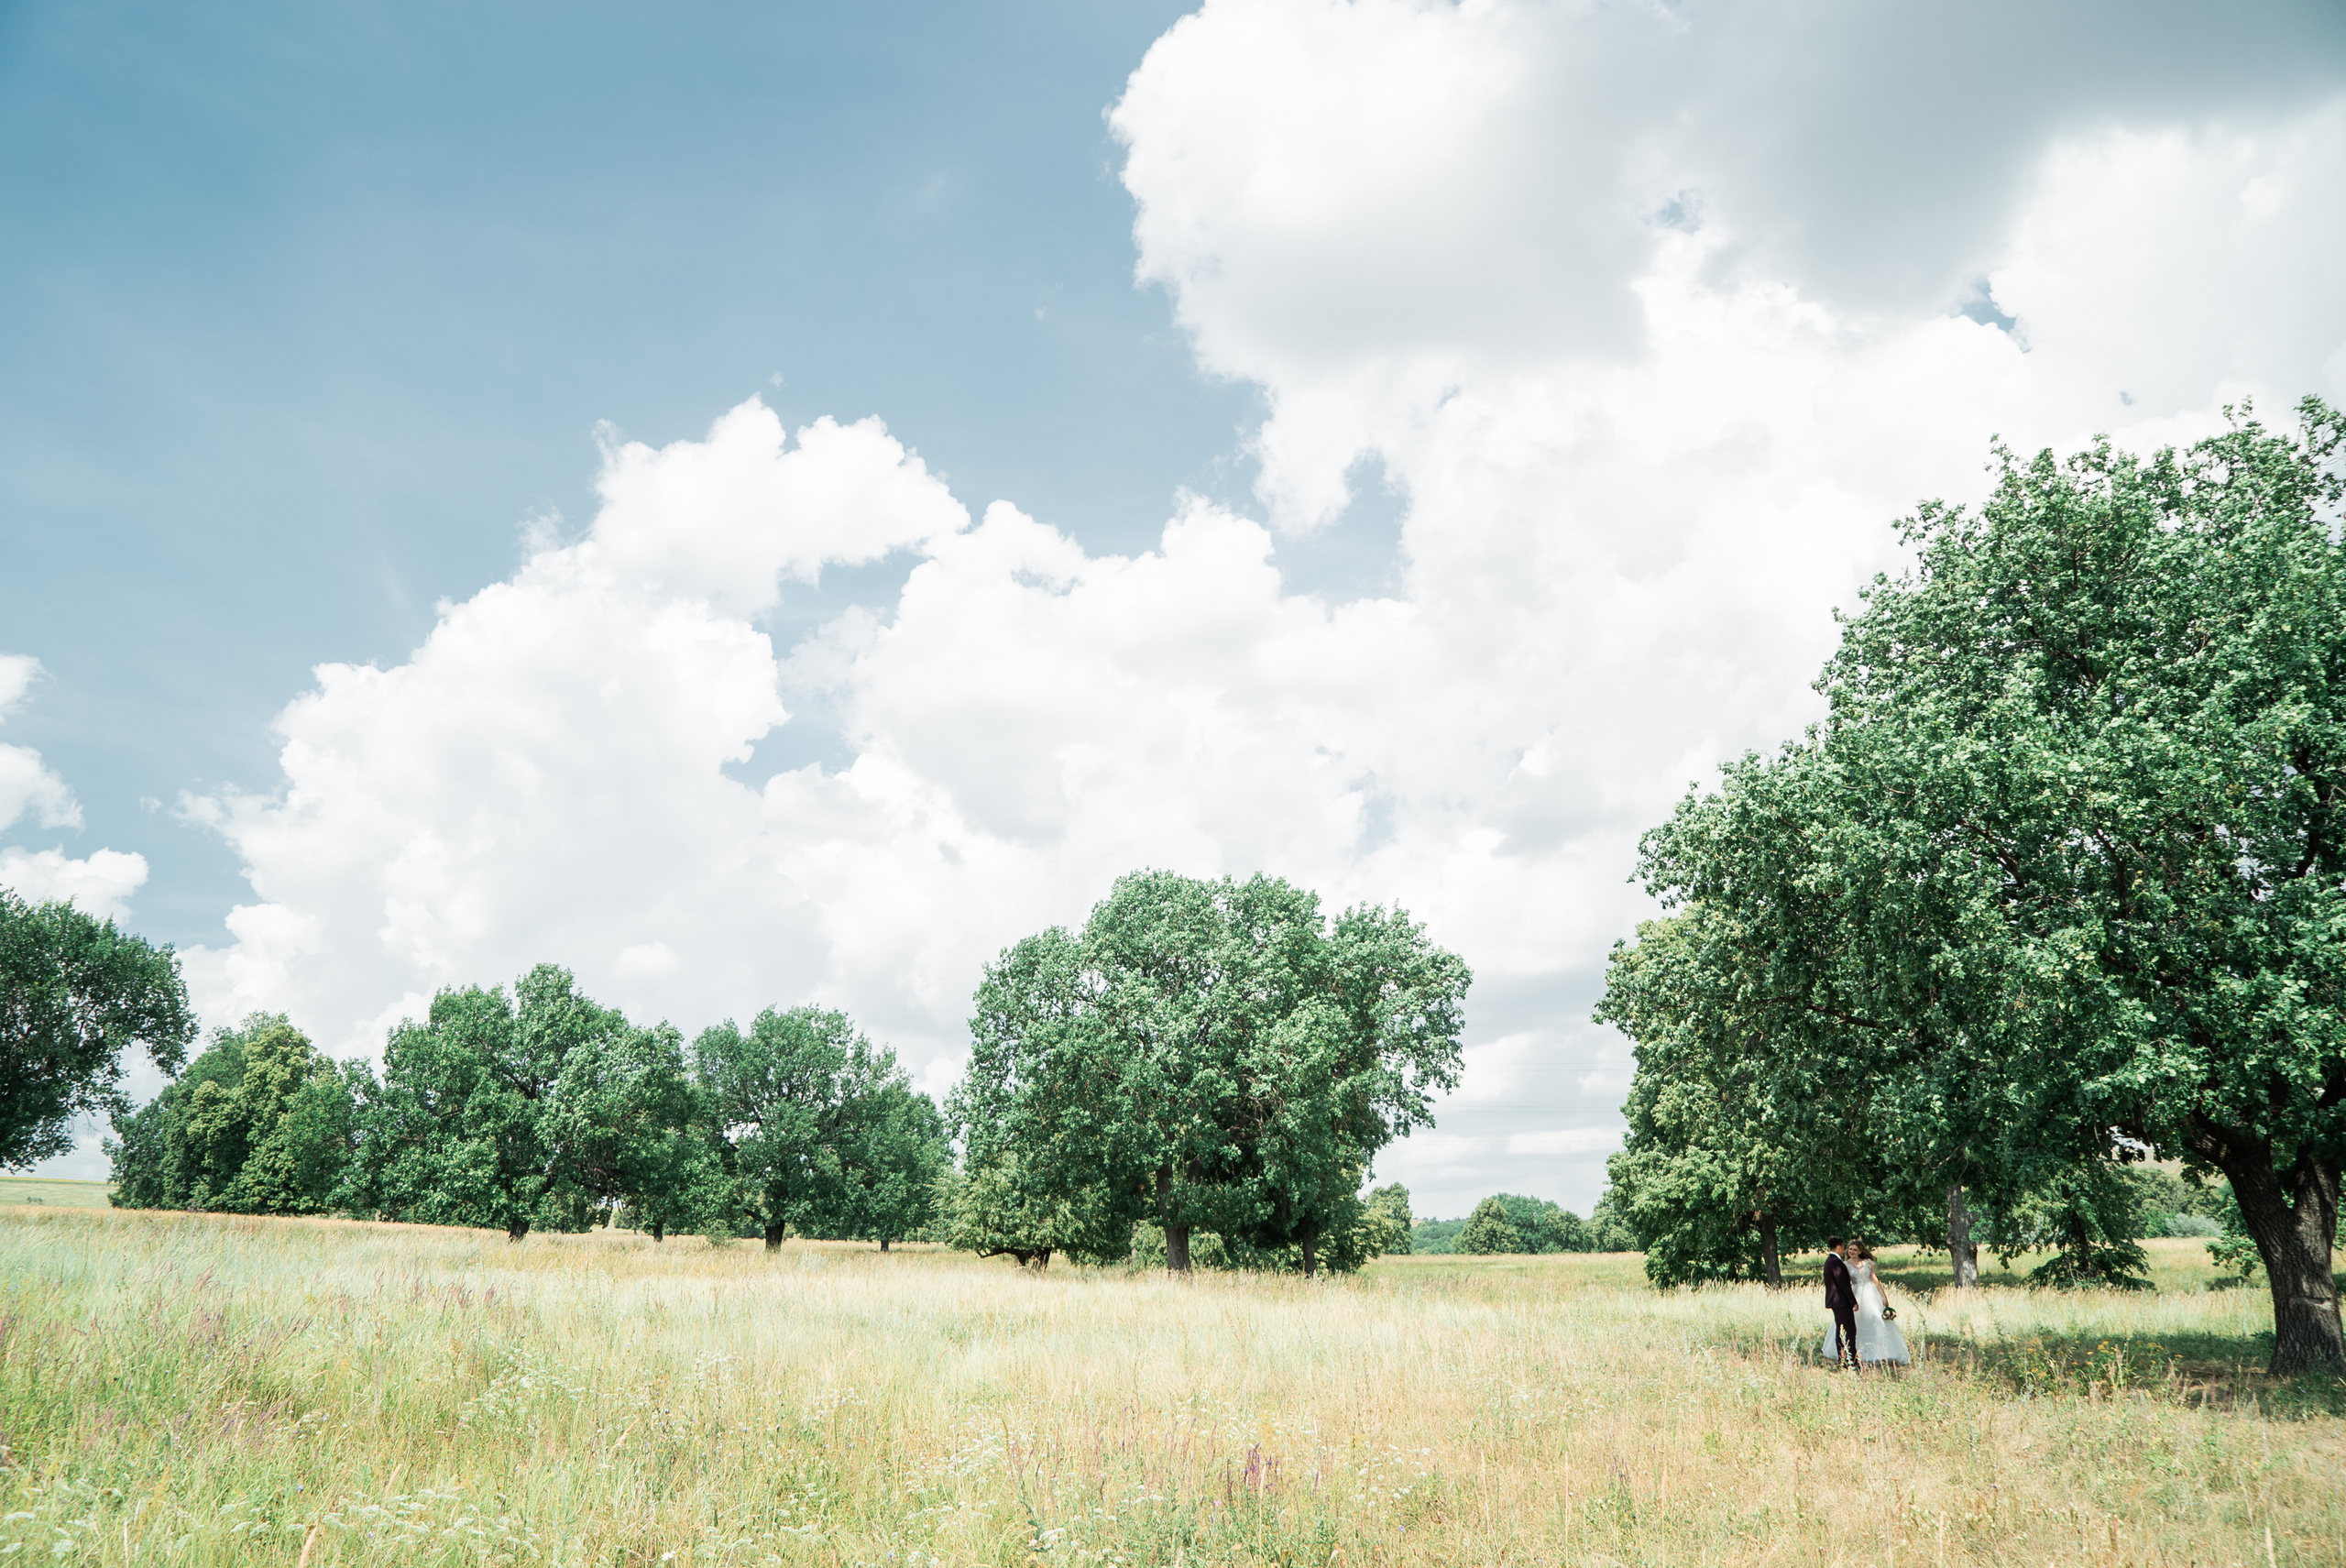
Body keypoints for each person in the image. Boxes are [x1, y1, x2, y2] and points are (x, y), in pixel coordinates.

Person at [1847, 1241, 1910, 1367]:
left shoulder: (1867, 1263)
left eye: (1854, 1250)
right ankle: (1861, 1353)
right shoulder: (1845, 1265)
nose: (1851, 1252)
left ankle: (1882, 1352)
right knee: (1858, 1323)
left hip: (1871, 1294)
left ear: (1859, 1251)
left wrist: (1883, 1296)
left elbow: (1875, 1280)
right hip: (1857, 1294)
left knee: (1877, 1319)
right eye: (1850, 1249)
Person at [1820, 1236, 1858, 1370]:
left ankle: (1844, 1359)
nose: (1843, 1250)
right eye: (1843, 1247)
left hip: (1836, 1302)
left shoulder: (1829, 1261)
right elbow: (1844, 1285)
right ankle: (1850, 1361)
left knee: (1841, 1331)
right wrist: (1853, 1301)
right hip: (1841, 1302)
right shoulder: (1836, 1263)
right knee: (1849, 1331)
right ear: (1838, 1247)